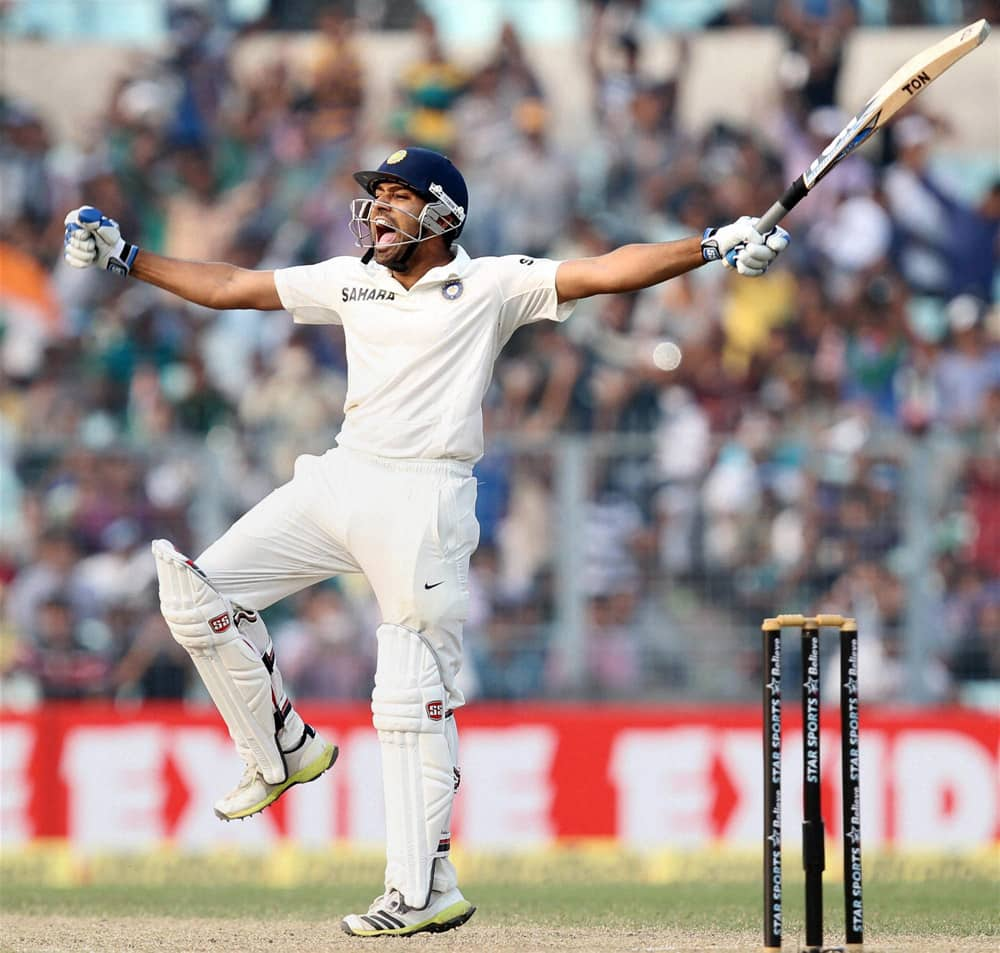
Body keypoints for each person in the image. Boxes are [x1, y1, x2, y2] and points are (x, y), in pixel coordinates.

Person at [63, 146, 788, 936]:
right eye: (373, 197)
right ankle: (280, 748)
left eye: (397, 197)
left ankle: (422, 888)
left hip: (425, 495)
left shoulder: (489, 283)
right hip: (342, 475)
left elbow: (607, 269)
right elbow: (232, 287)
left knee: (408, 693)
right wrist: (127, 257)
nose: (376, 210)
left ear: (442, 214)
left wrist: (715, 241)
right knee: (193, 590)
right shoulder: (352, 277)